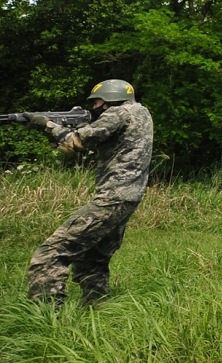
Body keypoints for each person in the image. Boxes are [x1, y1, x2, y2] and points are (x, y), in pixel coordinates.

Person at [25, 79, 153, 308]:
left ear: (111, 98)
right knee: (92, 260)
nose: (94, 106)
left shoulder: (118, 114)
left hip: (112, 198)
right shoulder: (141, 113)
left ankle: (47, 316)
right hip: (129, 197)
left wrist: (48, 125)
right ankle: (98, 309)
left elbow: (75, 142)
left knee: (50, 254)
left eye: (97, 101)